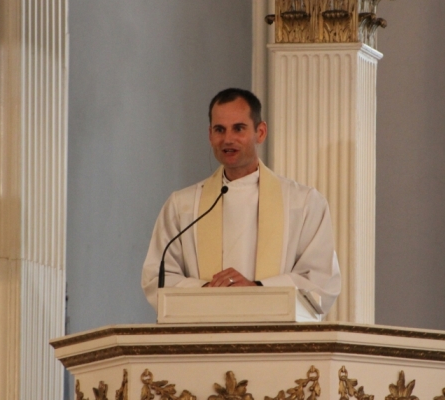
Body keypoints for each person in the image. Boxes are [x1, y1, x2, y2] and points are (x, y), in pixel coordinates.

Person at [141, 88, 341, 314]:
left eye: (238, 128)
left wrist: (256, 289)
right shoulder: (183, 206)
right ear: (210, 135)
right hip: (203, 335)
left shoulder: (303, 203)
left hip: (276, 340)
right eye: (219, 130)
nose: (228, 139)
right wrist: (207, 289)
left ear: (261, 132)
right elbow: (157, 277)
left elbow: (321, 281)